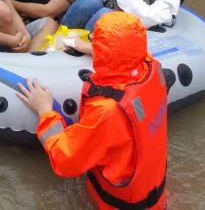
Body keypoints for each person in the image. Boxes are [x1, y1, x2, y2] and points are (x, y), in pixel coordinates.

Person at [17, 12, 169, 209]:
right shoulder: (151, 69)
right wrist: (88, 48)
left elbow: (65, 160)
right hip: (154, 196)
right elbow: (129, 55)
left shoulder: (107, 110)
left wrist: (45, 111)